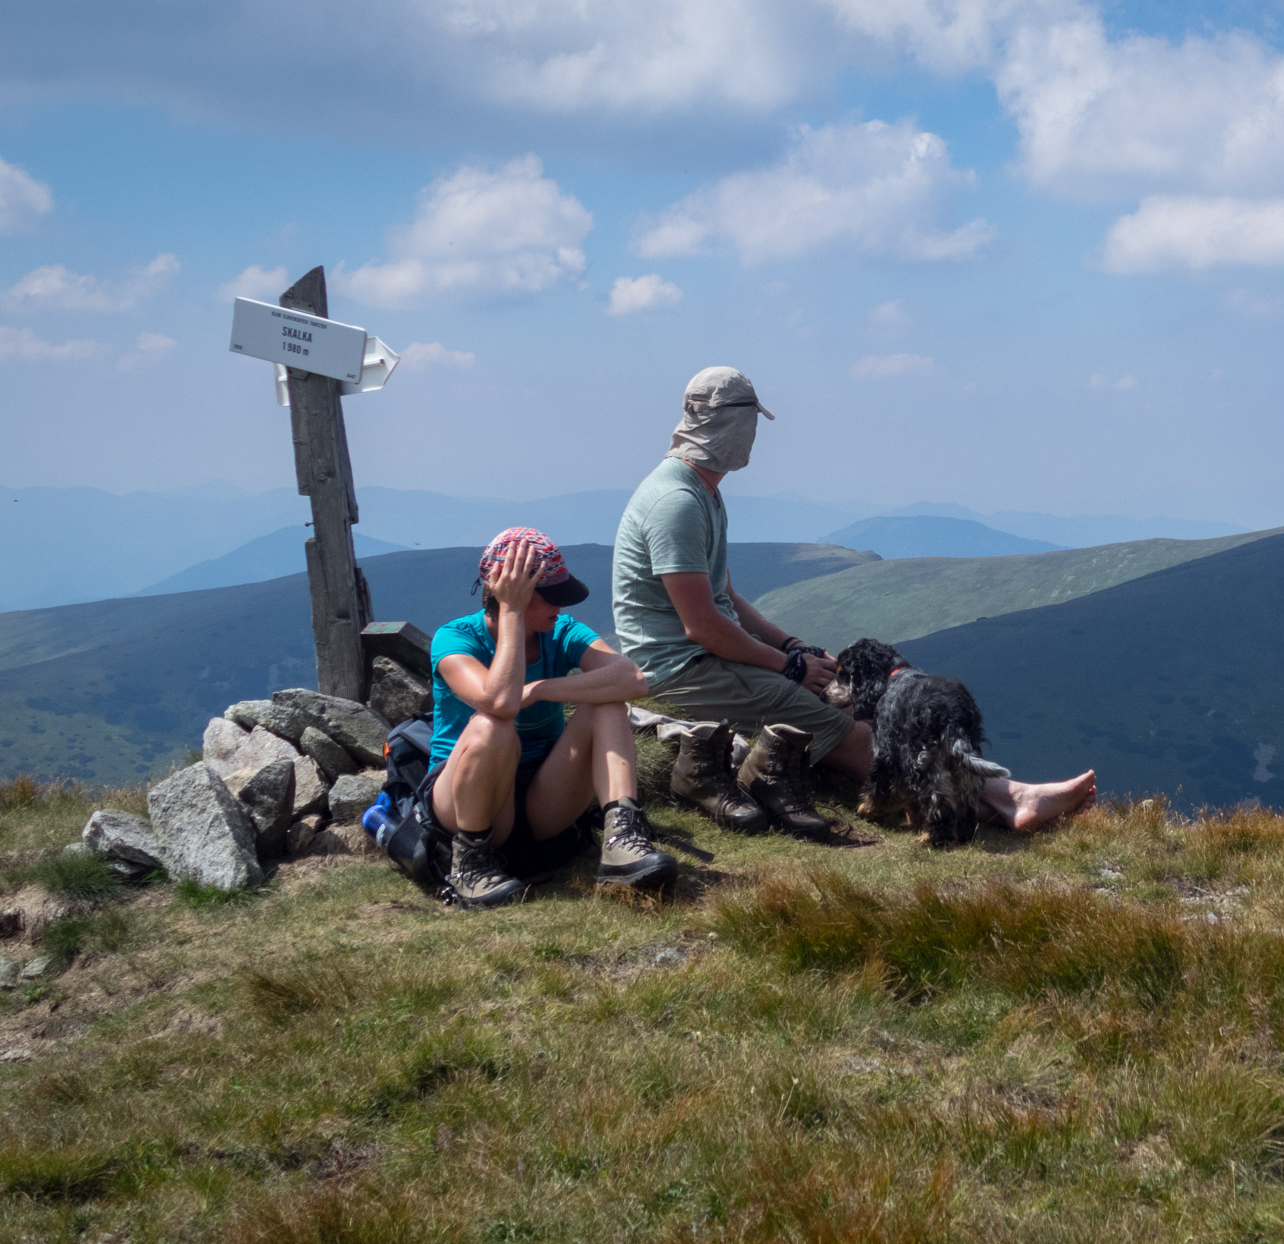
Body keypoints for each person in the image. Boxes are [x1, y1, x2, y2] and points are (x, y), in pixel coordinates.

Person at [612, 365, 1097, 838]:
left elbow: (727, 598)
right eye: (752, 423)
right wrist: (787, 668)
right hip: (680, 669)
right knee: (854, 733)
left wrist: (795, 646)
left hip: (705, 657)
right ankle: (1010, 800)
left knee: (851, 704)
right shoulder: (677, 503)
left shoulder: (702, 493)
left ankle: (996, 797)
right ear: (738, 422)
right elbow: (704, 626)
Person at [426, 527, 676, 909]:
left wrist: (540, 688)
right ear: (513, 593)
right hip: (465, 799)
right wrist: (511, 612)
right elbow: (501, 702)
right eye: (549, 598)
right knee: (491, 724)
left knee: (608, 702)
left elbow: (632, 680)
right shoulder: (454, 638)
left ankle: (622, 838)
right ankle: (470, 863)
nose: (560, 609)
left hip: (542, 798)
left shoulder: (560, 631)